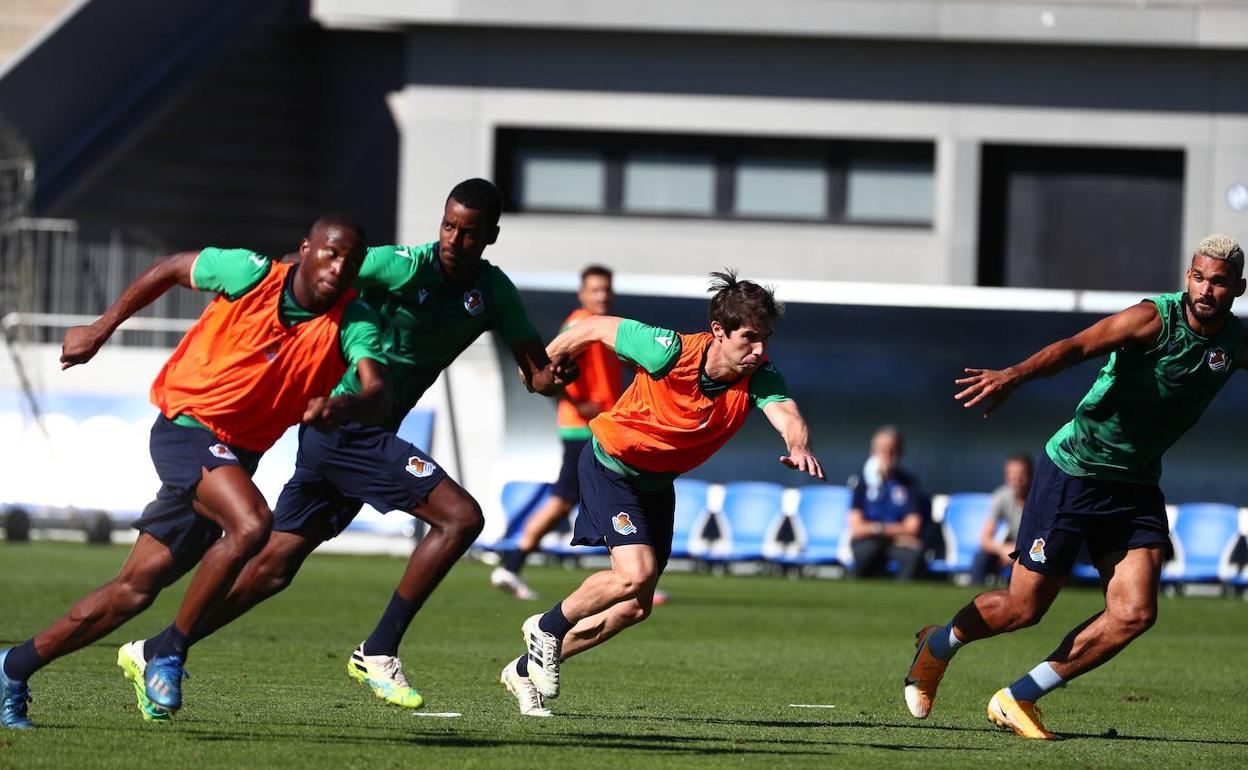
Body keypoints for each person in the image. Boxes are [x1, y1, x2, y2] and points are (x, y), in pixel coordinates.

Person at [117, 178, 576, 716]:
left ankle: (158, 648)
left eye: (469, 233)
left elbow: (536, 372)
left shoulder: (494, 293)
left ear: (490, 236)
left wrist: (551, 377)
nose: (454, 239)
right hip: (345, 424)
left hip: (356, 433)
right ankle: (378, 650)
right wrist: (276, 292)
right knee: (460, 518)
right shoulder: (404, 264)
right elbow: (312, 268)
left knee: (272, 570)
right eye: (449, 226)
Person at [0, 215, 388, 728]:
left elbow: (376, 389)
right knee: (252, 524)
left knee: (131, 592)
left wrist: (346, 407)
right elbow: (168, 269)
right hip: (185, 428)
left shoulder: (353, 318)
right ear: (306, 248)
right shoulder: (249, 273)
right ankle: (168, 654)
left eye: (352, 260)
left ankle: (12, 667)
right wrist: (101, 327)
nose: (339, 268)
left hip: (232, 460)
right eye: (331, 253)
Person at [904, 234, 1247, 740]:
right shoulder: (1154, 318)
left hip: (1135, 486)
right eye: (1198, 276)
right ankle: (937, 648)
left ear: (1237, 288)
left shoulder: (1236, 342)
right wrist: (1015, 375)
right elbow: (1078, 346)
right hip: (1076, 471)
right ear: (1187, 276)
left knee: (1134, 613)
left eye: (1218, 282)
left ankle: (1018, 696)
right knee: (1023, 608)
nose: (1205, 289)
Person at [499, 270, 825, 717]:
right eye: (750, 338)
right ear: (718, 332)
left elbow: (786, 411)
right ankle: (546, 627)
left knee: (634, 607)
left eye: (765, 338)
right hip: (610, 465)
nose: (760, 350)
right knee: (635, 573)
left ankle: (521, 669)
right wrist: (537, 369)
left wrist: (798, 445)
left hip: (655, 484)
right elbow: (593, 327)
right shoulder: (667, 349)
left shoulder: (760, 377)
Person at [491, 264, 623, 600]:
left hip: (601, 428)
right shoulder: (579, 324)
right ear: (582, 294)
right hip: (584, 430)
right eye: (594, 290)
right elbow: (550, 370)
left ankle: (512, 564)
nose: (602, 295)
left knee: (578, 500)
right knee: (571, 499)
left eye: (605, 289)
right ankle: (511, 563)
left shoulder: (601, 327)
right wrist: (577, 404)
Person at [846, 426, 928, 580]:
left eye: (893, 450)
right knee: (867, 553)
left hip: (899, 543)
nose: (888, 455)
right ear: (873, 452)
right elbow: (856, 526)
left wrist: (877, 530)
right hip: (871, 541)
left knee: (913, 556)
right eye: (883, 450)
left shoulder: (908, 483)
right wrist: (882, 530)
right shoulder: (861, 482)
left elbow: (912, 527)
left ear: (900, 452)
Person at [969, 454, 1032, 586]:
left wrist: (1018, 550)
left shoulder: (1040, 498)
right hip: (1011, 548)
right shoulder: (1001, 496)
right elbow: (985, 539)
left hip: (1035, 548)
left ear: (1031, 475)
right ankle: (975, 595)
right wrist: (1002, 550)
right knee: (981, 557)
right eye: (1011, 474)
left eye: (1021, 474)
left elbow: (1046, 537)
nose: (1016, 479)